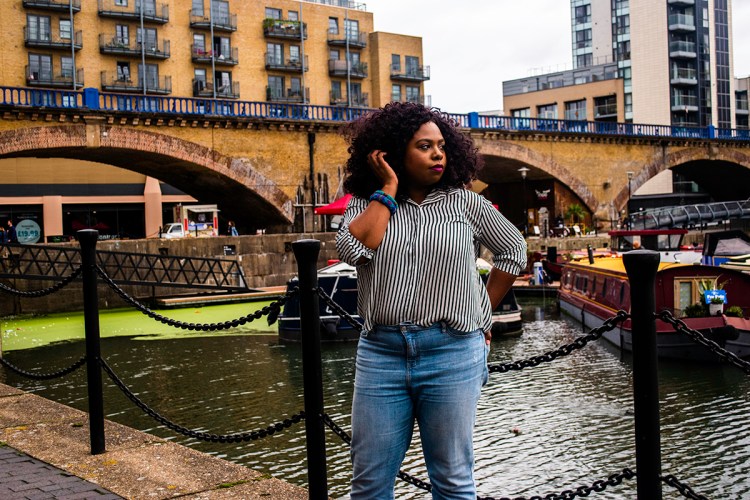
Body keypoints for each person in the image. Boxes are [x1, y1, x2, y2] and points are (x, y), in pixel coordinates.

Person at [335, 102, 527, 499]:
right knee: (369, 483)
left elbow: (514, 251)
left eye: (441, 146)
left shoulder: (465, 203)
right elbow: (353, 249)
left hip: (452, 352)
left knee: (452, 481)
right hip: (381, 354)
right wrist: (388, 189)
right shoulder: (365, 203)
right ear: (392, 153)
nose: (438, 154)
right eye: (424, 146)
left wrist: (483, 312)